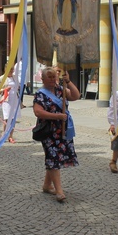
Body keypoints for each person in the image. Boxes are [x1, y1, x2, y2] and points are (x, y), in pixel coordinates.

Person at [33, 67, 80, 202]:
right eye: (50, 77)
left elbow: (76, 96)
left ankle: (47, 185)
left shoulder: (61, 89)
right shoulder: (40, 94)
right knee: (53, 157)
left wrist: (69, 82)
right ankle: (59, 191)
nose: (53, 79)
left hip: (63, 129)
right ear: (43, 79)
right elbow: (38, 112)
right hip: (49, 131)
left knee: (54, 158)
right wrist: (57, 116)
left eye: (54, 77)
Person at [0, 65, 21, 143]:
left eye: (12, 69)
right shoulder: (1, 78)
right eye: (10, 70)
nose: (11, 71)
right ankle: (4, 135)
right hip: (6, 100)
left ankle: (10, 136)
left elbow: (18, 87)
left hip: (14, 99)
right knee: (7, 118)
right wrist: (5, 89)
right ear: (5, 69)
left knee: (13, 119)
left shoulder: (14, 77)